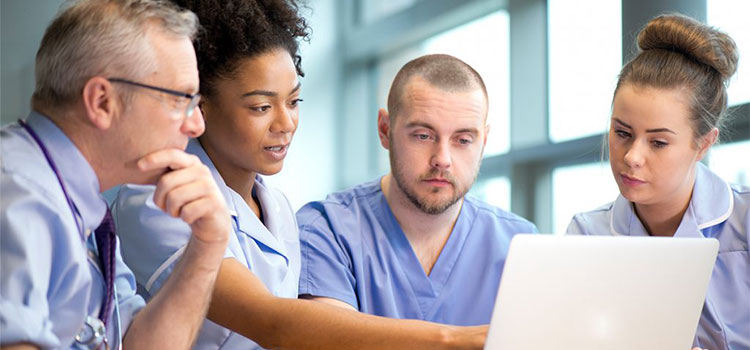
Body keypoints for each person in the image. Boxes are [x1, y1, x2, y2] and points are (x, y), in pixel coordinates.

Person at [113, 1, 487, 349]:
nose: (286, 123)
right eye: (261, 107)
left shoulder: (276, 207)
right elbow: (272, 323)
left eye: (293, 102)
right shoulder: (157, 197)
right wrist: (457, 339)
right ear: (201, 107)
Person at [0, 0, 232, 349]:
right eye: (181, 99)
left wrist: (208, 244)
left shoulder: (81, 203)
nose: (197, 124)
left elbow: (137, 343)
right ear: (102, 102)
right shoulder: (19, 196)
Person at [297, 54, 538, 325]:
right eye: (423, 136)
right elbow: (330, 340)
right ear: (385, 130)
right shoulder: (326, 229)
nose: (442, 158)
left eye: (463, 140)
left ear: (484, 141)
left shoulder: (520, 244)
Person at [565, 14, 749, 350]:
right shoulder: (586, 234)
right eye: (622, 133)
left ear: (703, 144)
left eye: (658, 142)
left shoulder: (745, 221)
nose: (632, 156)